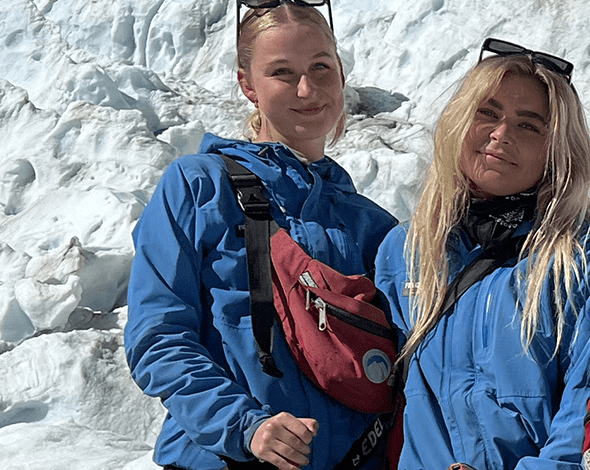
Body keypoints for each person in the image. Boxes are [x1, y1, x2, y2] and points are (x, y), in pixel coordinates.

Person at [125, 3, 396, 470]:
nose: (307, 89)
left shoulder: (373, 225)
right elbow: (159, 336)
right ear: (247, 84)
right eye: (282, 73)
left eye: (320, 67)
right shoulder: (199, 186)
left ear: (341, 73)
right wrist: (245, 427)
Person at [371, 38, 590, 470]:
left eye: (529, 125)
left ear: (557, 149)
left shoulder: (585, 258)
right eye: (487, 113)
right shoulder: (406, 250)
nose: (501, 135)